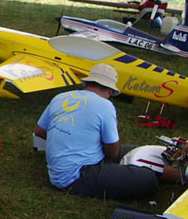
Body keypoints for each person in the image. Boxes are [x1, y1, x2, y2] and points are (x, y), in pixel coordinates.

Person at [34, 63, 182, 199]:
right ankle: (179, 176)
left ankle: (170, 171)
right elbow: (112, 151)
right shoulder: (105, 105)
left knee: (135, 151)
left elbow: (40, 131)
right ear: (110, 91)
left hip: (69, 167)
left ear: (86, 83)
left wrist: (65, 140)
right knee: (148, 180)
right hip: (76, 176)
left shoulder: (61, 97)